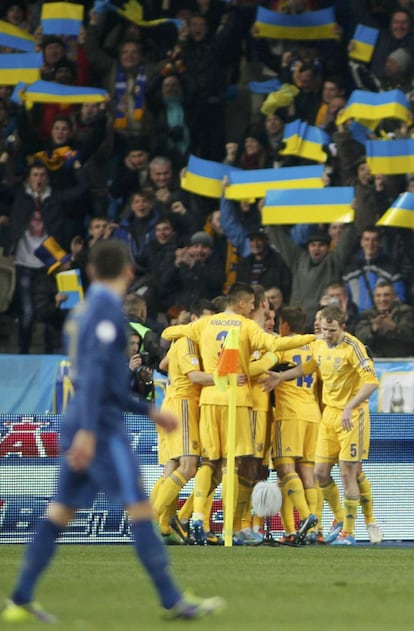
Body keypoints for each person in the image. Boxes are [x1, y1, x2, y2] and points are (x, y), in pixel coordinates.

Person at [1, 239, 224, 623]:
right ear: (128, 273)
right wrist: (92, 432)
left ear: (90, 272)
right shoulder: (106, 315)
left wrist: (146, 411)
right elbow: (95, 380)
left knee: (58, 514)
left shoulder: (83, 313)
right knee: (139, 511)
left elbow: (100, 380)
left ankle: (19, 599)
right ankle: (172, 599)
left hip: (83, 423)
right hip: (99, 430)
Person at [161, 282, 316, 543]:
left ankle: (195, 517)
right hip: (241, 401)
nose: (258, 309)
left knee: (210, 463)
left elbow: (169, 333)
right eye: (256, 305)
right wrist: (313, 338)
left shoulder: (206, 324)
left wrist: (177, 331)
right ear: (244, 304)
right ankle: (230, 525)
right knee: (235, 465)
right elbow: (275, 345)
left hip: (210, 399)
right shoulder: (247, 327)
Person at [261, 304, 379, 546]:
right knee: (319, 473)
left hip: (353, 415)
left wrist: (349, 406)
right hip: (327, 415)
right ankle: (339, 519)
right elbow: (309, 367)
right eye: (324, 329)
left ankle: (350, 530)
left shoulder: (353, 347)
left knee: (348, 472)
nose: (327, 334)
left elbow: (371, 383)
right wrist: (281, 377)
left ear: (343, 327)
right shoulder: (319, 345)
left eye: (332, 330)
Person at [270, 307, 321, 545]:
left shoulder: (280, 346)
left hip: (289, 414)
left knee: (285, 470)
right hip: (313, 415)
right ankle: (315, 529)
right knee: (308, 474)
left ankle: (298, 524)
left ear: (285, 326)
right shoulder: (315, 348)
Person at [343, 225, 406, 312]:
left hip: (382, 318)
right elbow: (345, 297)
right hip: (356, 321)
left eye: (374, 240)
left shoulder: (391, 269)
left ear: (380, 242)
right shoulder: (350, 269)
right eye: (367, 239)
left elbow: (400, 297)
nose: (370, 244)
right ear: (361, 242)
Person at [355, 280, 414, 357]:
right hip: (375, 362)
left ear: (394, 297)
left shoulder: (406, 312)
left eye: (386, 295)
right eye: (378, 295)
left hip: (402, 362)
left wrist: (394, 328)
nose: (382, 299)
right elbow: (358, 342)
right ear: (374, 298)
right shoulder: (366, 315)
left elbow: (411, 336)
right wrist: (373, 329)